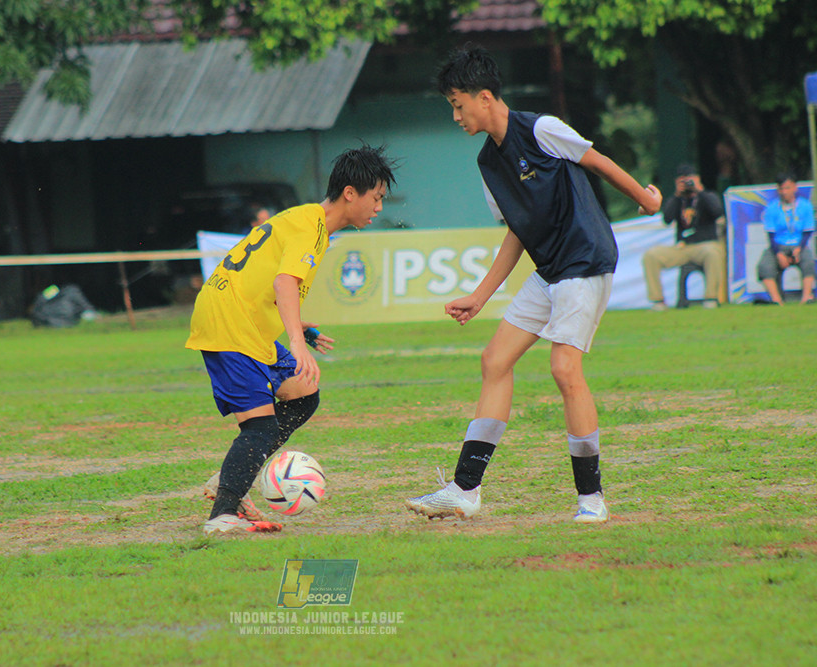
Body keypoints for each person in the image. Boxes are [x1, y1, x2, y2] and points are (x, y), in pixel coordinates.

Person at [404, 45, 661, 524]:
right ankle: (465, 489)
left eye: (458, 105)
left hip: (585, 261)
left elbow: (598, 161)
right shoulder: (488, 165)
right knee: (495, 360)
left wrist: (644, 199)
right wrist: (480, 297)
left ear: (484, 97)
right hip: (549, 272)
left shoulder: (541, 129)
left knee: (565, 370)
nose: (455, 115)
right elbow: (518, 232)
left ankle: (592, 500)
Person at [187, 145, 397, 536]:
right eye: (377, 197)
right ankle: (223, 514)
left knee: (304, 393)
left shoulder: (307, 222)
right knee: (262, 429)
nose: (379, 208)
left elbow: (268, 279)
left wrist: (301, 328)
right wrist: (297, 345)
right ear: (351, 193)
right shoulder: (311, 227)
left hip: (243, 318)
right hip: (230, 322)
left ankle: (231, 476)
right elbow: (285, 281)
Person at [642, 164, 726, 310]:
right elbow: (667, 219)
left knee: (713, 252)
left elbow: (717, 212)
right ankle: (658, 301)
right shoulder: (678, 200)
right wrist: (677, 195)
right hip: (683, 247)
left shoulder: (708, 196)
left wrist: (699, 190)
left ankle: (711, 298)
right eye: (683, 180)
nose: (687, 183)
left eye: (690, 179)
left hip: (705, 245)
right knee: (651, 255)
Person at [756, 172, 815, 304]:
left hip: (799, 245)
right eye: (781, 189)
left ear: (795, 188)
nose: (784, 192)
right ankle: (776, 300)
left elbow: (807, 231)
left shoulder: (805, 206)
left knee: (809, 261)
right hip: (778, 245)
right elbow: (770, 234)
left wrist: (799, 248)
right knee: (765, 265)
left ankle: (806, 297)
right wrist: (778, 254)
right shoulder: (772, 208)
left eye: (787, 188)